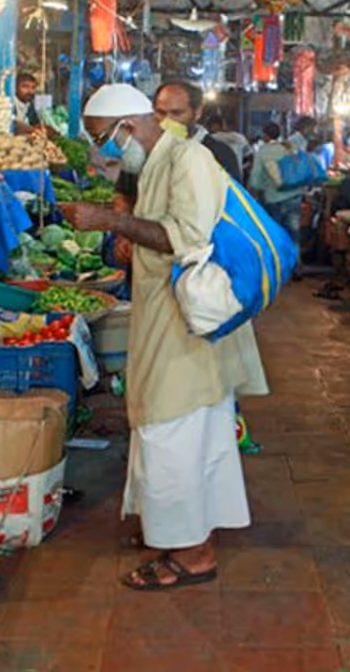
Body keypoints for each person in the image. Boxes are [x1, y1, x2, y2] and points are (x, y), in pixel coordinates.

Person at [59, 84, 269, 591]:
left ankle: (193, 553)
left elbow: (188, 238)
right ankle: (176, 533)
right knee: (188, 434)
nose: (103, 151)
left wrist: (111, 221)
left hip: (186, 329)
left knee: (170, 432)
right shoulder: (156, 159)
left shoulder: (189, 160)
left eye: (104, 138)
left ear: (127, 126)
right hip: (165, 319)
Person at [154, 80, 244, 183]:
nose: (167, 120)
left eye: (176, 113)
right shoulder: (150, 150)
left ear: (197, 113)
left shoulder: (219, 154)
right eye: (161, 113)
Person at [249, 122, 302, 243]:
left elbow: (255, 179)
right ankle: (295, 259)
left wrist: (254, 192)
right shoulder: (289, 147)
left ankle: (278, 259)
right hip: (294, 196)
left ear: (265, 135)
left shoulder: (263, 151)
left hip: (273, 198)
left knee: (274, 233)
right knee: (293, 232)